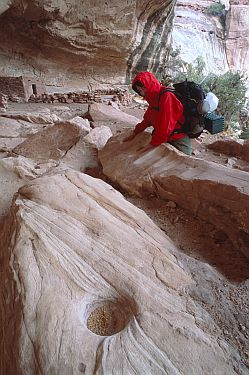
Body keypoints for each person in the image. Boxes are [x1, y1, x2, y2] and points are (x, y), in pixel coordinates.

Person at [124, 71, 192, 155]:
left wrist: (152, 144)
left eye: (143, 88)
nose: (142, 92)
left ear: (149, 84)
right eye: (139, 90)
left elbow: (166, 126)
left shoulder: (167, 96)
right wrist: (135, 132)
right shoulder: (154, 100)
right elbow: (147, 120)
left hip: (178, 138)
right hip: (165, 137)